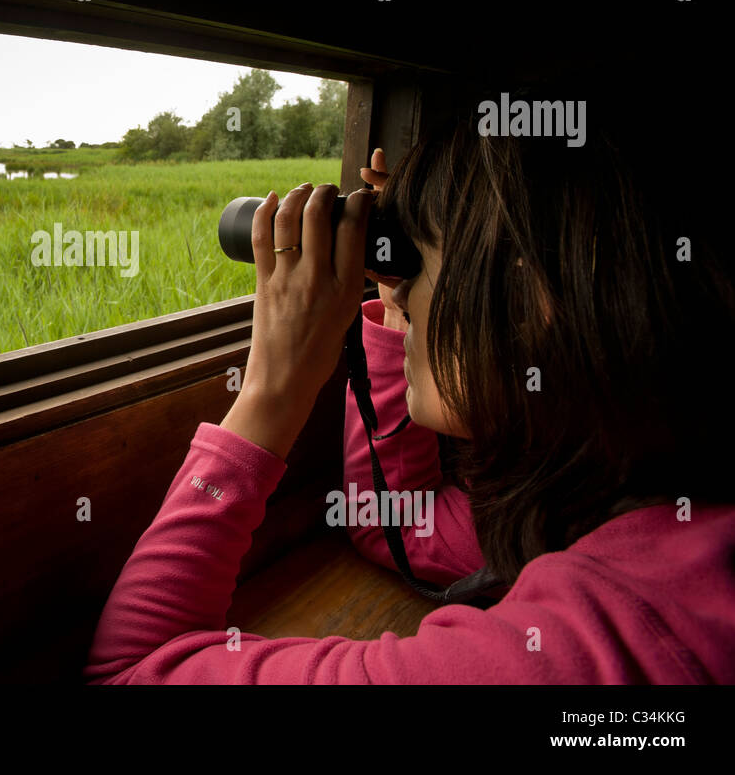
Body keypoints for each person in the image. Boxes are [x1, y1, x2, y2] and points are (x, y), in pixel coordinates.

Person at [82, 85, 735, 683]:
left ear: (534, 295)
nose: (395, 276)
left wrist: (270, 390)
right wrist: (415, 295)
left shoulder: (571, 651)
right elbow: (400, 524)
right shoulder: (628, 490)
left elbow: (129, 669)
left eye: (422, 254)